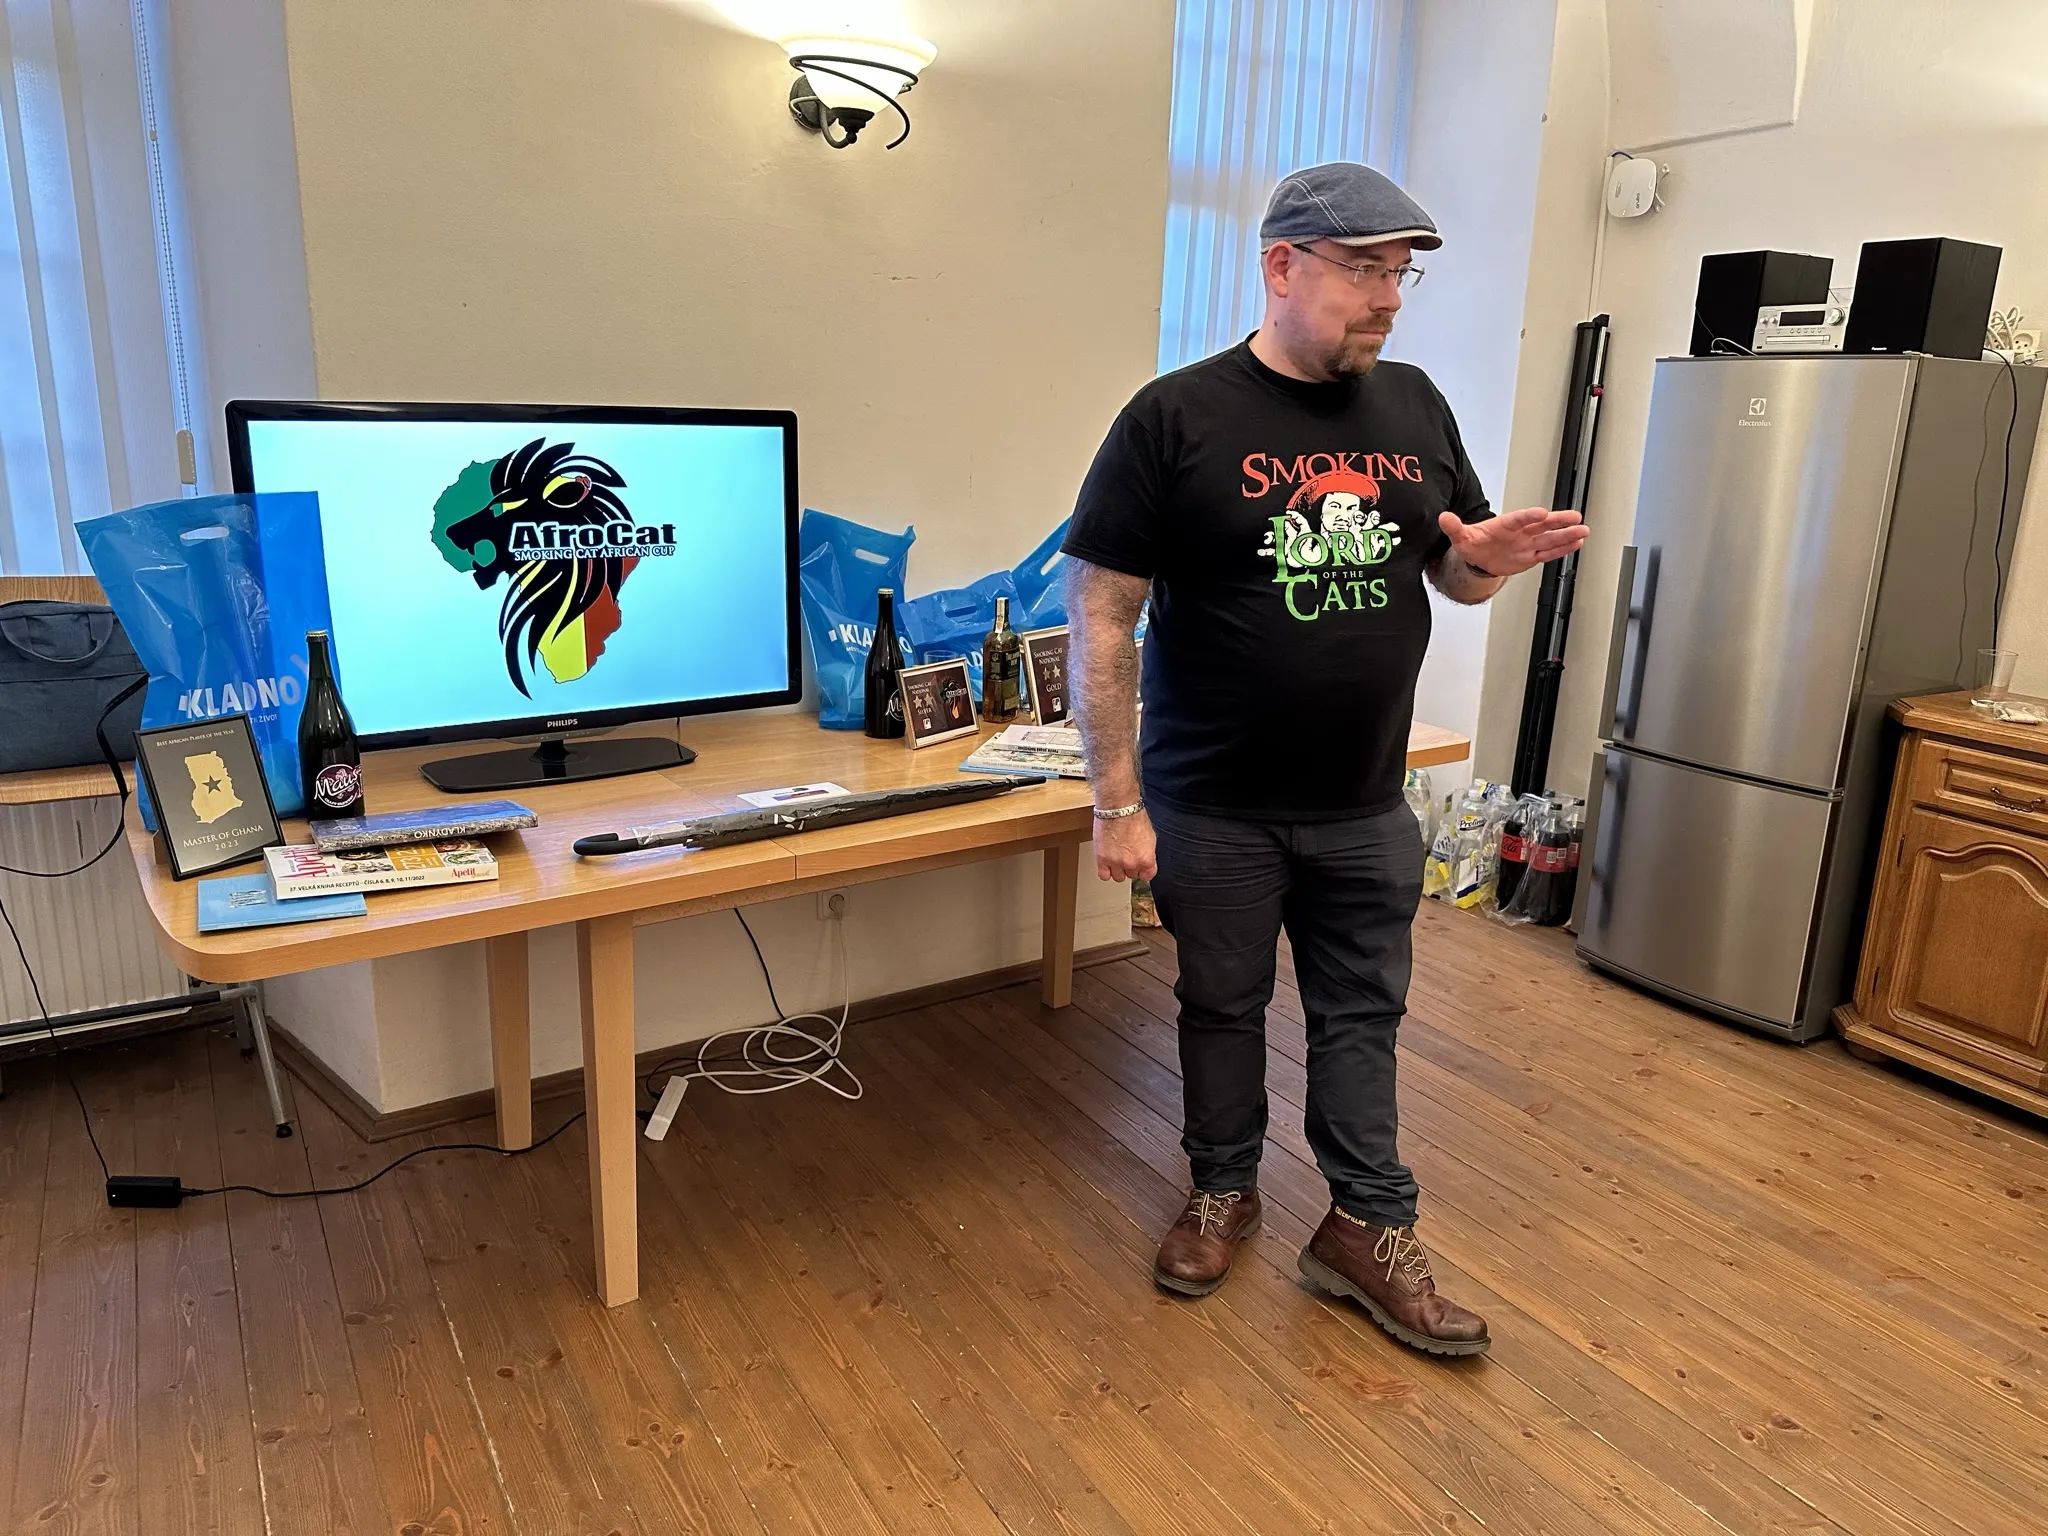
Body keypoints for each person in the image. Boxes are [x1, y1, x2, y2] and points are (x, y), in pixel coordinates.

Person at [1062, 162, 1586, 1358]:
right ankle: (1222, 1189)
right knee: (1220, 1005)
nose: (1386, 298)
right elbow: (1100, 617)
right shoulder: (1173, 416)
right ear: (1280, 265)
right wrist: (1114, 802)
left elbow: (1451, 576)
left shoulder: (1413, 406)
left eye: (1397, 274)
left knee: (1361, 1014)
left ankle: (1364, 1227)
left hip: (1363, 800)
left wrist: (1488, 559)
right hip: (1213, 803)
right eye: (1361, 270)